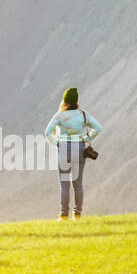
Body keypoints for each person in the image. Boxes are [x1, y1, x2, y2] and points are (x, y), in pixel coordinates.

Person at [43, 87, 103, 220]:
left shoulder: (59, 116)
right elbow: (98, 128)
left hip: (64, 147)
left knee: (64, 184)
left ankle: (64, 215)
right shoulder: (83, 114)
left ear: (65, 102)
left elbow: (47, 132)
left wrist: (57, 143)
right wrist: (86, 139)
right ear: (76, 101)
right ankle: (77, 214)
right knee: (78, 184)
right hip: (80, 148)